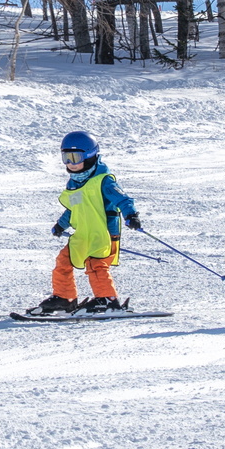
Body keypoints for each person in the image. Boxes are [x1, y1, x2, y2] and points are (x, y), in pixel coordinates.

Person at [31, 131, 141, 315]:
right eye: (66, 158)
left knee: (95, 265)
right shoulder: (74, 183)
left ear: (90, 156)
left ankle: (107, 300)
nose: (70, 164)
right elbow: (75, 208)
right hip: (83, 233)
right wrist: (61, 224)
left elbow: (123, 199)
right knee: (63, 261)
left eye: (75, 157)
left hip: (103, 233)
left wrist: (131, 215)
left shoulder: (103, 181)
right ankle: (64, 298)